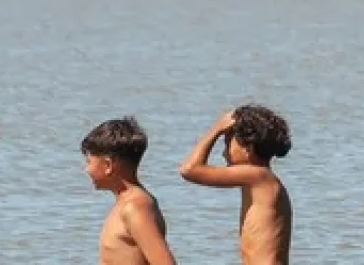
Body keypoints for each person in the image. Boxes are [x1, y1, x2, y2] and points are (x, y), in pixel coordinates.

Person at [178, 105, 294, 264]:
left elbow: (189, 169)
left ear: (248, 147)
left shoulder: (259, 176)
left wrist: (217, 128)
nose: (224, 153)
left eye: (228, 144)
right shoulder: (261, 179)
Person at [82, 116, 177, 265]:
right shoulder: (124, 203)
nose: (86, 169)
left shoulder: (136, 207)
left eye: (89, 162)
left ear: (108, 165)